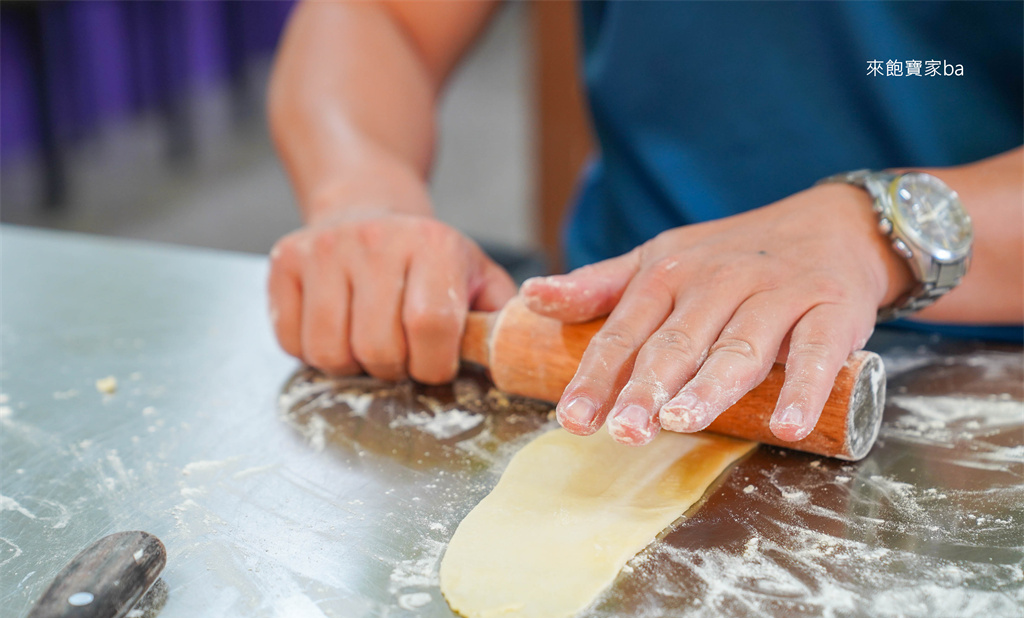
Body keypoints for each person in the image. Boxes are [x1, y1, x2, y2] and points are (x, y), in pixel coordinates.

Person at [265, 1, 1023, 448]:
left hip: (983, 371)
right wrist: (364, 193)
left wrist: (881, 229)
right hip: (616, 351)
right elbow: (383, 17)